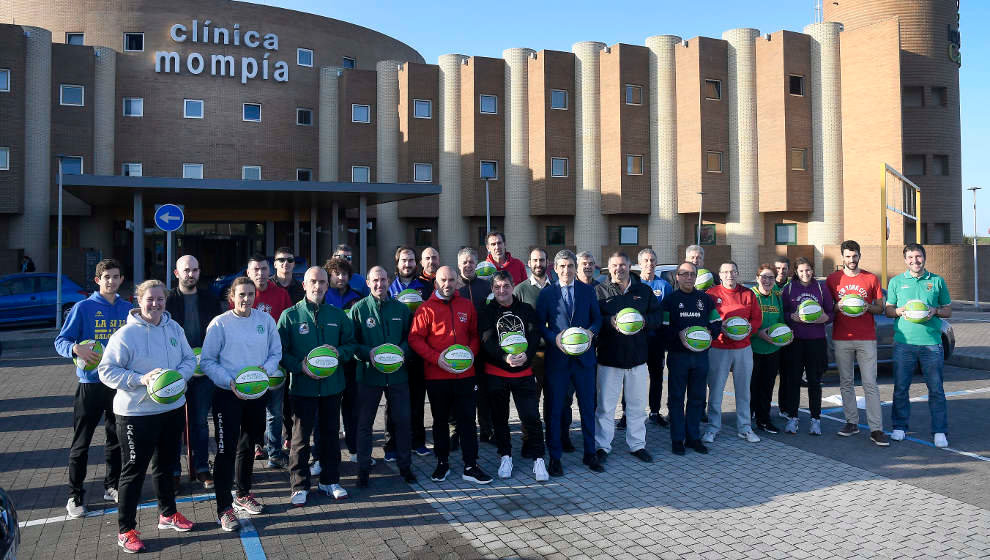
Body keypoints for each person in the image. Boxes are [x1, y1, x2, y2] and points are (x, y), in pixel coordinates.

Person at [98, 279, 197, 554]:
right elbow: (106, 371)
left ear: (166, 301)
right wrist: (143, 380)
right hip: (135, 414)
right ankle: (125, 529)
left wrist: (175, 379)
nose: (155, 304)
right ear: (138, 301)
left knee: (166, 466)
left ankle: (168, 514)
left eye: (160, 299)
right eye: (150, 299)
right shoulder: (126, 335)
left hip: (172, 409)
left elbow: (189, 360)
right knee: (133, 472)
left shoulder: (173, 327)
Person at [199, 277, 282, 531]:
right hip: (228, 395)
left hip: (257, 394)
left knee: (248, 446)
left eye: (250, 294)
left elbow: (275, 353)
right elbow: (207, 361)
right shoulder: (220, 324)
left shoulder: (265, 321)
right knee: (226, 451)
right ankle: (224, 508)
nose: (246, 299)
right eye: (241, 295)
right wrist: (230, 381)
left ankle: (243, 494)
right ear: (232, 297)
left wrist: (263, 372)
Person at [55, 258, 131, 518]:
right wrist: (74, 348)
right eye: (106, 276)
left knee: (116, 439)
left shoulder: (128, 309)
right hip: (90, 385)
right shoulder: (83, 308)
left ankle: (111, 486)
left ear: (121, 279)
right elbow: (61, 340)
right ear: (98, 280)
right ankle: (74, 495)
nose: (111, 281)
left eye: (116, 276)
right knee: (81, 443)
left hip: (117, 385)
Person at [278, 267, 356, 506]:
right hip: (302, 388)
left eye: (322, 282)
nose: (318, 286)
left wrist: (339, 352)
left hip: (332, 388)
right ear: (304, 285)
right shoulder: (290, 316)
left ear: (327, 284)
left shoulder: (337, 315)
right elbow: (280, 352)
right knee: (300, 440)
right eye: (313, 281)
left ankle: (329, 481)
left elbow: (351, 344)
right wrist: (299, 366)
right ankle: (299, 485)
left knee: (330, 437)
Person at [408, 266, 493, 484]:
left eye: (451, 280)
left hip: (466, 375)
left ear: (457, 282)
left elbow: (475, 335)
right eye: (443, 280)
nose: (447, 284)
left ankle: (471, 465)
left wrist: (469, 355)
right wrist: (437, 359)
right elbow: (415, 340)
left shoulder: (467, 306)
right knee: (440, 422)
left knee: (467, 420)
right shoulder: (425, 309)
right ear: (436, 282)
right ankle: (442, 463)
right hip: (437, 376)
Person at [536, 250, 604, 476]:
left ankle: (590, 453)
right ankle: (555, 457)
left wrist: (590, 333)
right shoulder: (547, 294)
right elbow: (540, 326)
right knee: (556, 409)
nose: (567, 270)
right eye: (562, 266)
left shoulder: (587, 291)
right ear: (554, 269)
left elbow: (597, 319)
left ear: (576, 268)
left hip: (584, 361)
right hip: (558, 360)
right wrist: (553, 338)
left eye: (570, 266)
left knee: (587, 409)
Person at [350, 266, 417, 487]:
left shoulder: (401, 309)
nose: (379, 284)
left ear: (389, 281)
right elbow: (352, 343)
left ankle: (405, 466)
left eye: (383, 280)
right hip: (369, 376)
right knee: (365, 424)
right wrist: (366, 353)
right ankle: (362, 469)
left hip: (398, 376)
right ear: (368, 283)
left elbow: (410, 338)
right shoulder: (359, 309)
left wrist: (401, 352)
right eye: (375, 281)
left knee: (403, 422)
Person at [479, 271, 549, 481]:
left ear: (513, 286)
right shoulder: (487, 311)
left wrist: (525, 356)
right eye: (497, 286)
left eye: (506, 286)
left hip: (523, 372)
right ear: (492, 289)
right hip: (497, 373)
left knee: (530, 417)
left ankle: (538, 459)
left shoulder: (525, 309)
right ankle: (505, 456)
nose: (502, 290)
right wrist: (504, 358)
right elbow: (486, 340)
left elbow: (534, 335)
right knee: (500, 419)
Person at [594, 252, 662, 464]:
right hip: (609, 360)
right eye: (614, 265)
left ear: (630, 266)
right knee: (605, 407)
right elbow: (593, 319)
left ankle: (637, 445)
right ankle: (602, 446)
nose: (619, 269)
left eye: (622, 265)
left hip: (637, 359)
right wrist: (609, 321)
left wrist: (644, 321)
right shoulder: (599, 291)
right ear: (608, 267)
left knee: (637, 406)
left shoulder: (643, 290)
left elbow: (657, 317)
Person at [885, 243, 952, 448]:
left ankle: (939, 431)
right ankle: (899, 427)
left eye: (918, 256)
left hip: (932, 344)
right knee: (901, 388)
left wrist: (935, 311)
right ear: (905, 260)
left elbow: (948, 310)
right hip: (904, 344)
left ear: (924, 257)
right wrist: (899, 311)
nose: (915, 261)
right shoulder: (896, 282)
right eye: (911, 257)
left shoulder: (937, 281)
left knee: (936, 389)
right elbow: (888, 310)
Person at [166, 254, 221, 490]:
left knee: (199, 422)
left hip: (204, 371)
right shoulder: (167, 300)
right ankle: (174, 471)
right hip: (175, 370)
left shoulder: (209, 298)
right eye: (186, 270)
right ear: (177, 273)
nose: (191, 274)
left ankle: (201, 468)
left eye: (195, 270)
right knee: (174, 423)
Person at [826, 240, 888, 445]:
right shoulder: (833, 279)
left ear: (859, 256)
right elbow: (828, 308)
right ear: (842, 257)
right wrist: (839, 306)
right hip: (842, 337)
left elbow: (880, 308)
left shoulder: (870, 278)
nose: (851, 260)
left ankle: (876, 429)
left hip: (866, 337)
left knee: (870, 383)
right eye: (848, 256)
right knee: (846, 382)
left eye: (855, 256)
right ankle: (851, 422)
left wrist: (864, 306)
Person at [662, 262, 721, 455]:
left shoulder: (705, 299)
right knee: (677, 398)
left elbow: (716, 323)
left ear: (696, 277)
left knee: (697, 398)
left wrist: (708, 333)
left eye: (692, 274)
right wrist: (679, 334)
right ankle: (677, 439)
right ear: (677, 277)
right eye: (684, 274)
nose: (688, 277)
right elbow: (663, 327)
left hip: (700, 357)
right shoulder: (669, 300)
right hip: (678, 356)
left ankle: (693, 437)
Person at [239, 254, 292, 466]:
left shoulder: (281, 294)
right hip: (248, 364)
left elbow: (287, 328)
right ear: (248, 273)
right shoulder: (241, 294)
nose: (260, 273)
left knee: (275, 412)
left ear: (269, 272)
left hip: (274, 362)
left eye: (263, 269)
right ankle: (255, 445)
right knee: (252, 411)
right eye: (256, 270)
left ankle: (275, 452)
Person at [703, 261, 763, 444]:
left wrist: (747, 330)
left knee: (744, 390)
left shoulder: (747, 294)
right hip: (719, 347)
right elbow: (705, 319)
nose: (730, 275)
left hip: (743, 348)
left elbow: (756, 319)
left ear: (738, 273)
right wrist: (719, 329)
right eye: (726, 272)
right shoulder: (711, 294)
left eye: (733, 271)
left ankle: (744, 428)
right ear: (720, 275)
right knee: (716, 390)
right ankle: (713, 427)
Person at [386, 246, 434, 458]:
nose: (407, 264)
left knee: (416, 399)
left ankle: (418, 441)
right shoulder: (388, 287)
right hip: (395, 350)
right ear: (397, 263)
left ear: (417, 263)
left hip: (418, 351)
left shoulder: (426, 286)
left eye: (411, 260)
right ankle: (391, 445)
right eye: (404, 260)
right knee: (392, 401)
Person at [617, 249, 673, 429]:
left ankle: (655, 412)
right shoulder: (633, 284)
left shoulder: (664, 286)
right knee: (630, 377)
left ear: (656, 263)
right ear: (639, 264)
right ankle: (627, 413)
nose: (650, 263)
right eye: (646, 260)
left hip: (656, 340)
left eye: (652, 260)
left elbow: (666, 314)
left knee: (656, 376)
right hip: (636, 340)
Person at [512, 248, 561, 452]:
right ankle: (529, 440)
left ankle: (554, 437)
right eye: (535, 260)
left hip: (556, 353)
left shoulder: (558, 287)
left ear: (548, 262)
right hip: (532, 355)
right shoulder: (520, 290)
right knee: (530, 401)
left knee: (556, 398)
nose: (538, 264)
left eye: (542, 260)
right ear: (528, 263)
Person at [780, 257, 833, 435]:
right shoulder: (789, 289)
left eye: (808, 269)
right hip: (795, 341)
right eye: (801, 270)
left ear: (812, 270)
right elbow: (784, 312)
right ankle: (793, 418)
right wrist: (791, 317)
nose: (805, 273)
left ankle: (815, 419)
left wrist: (824, 318)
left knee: (814, 381)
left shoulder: (820, 287)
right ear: (796, 272)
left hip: (816, 340)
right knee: (793, 380)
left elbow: (830, 312)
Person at [324, 257, 363, 465]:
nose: (341, 277)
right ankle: (323, 456)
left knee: (352, 408)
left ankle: (355, 449)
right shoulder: (322, 296)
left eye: (344, 274)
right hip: (327, 362)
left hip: (349, 360)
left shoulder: (357, 297)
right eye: (336, 273)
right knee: (328, 412)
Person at [455, 246, 494, 445]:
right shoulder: (454, 288)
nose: (468, 265)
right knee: (460, 392)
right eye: (464, 262)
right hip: (460, 349)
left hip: (484, 349)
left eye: (471, 262)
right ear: (459, 264)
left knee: (485, 391)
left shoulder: (486, 287)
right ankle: (457, 432)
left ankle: (487, 429)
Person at [272, 247, 304, 466]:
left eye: (289, 260)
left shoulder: (300, 288)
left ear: (294, 264)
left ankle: (290, 436)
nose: (285, 263)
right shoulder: (268, 286)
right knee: (274, 400)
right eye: (281, 260)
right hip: (272, 350)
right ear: (275, 263)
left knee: (291, 396)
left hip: (295, 348)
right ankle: (270, 441)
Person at [750, 264, 786, 435]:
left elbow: (781, 320)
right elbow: (745, 323)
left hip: (772, 350)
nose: (767, 280)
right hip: (752, 349)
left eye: (771, 277)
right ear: (757, 278)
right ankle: (747, 420)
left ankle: (764, 420)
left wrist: (787, 334)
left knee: (767, 386)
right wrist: (758, 333)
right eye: (764, 277)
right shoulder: (751, 295)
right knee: (751, 386)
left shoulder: (776, 296)